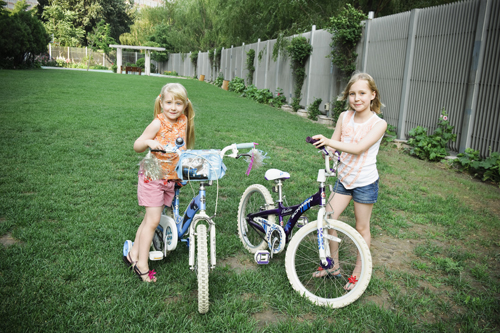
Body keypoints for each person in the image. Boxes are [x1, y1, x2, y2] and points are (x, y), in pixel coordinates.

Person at [311, 72, 386, 290]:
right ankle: (333, 265)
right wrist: (326, 148)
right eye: (352, 94)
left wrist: (330, 143)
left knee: (362, 227)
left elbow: (358, 148)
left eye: (362, 93)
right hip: (343, 179)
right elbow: (335, 143)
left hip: (365, 182)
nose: (357, 98)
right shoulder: (345, 117)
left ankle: (359, 271)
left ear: (373, 95)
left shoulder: (378, 124)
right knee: (328, 217)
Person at [124, 83, 195, 282]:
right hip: (152, 175)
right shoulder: (158, 123)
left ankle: (132, 254)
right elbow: (136, 145)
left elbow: (183, 148)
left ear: (185, 104)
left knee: (149, 219)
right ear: (161, 102)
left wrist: (183, 170)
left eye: (178, 103)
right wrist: (148, 142)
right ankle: (141, 265)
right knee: (154, 220)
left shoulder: (184, 122)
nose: (173, 107)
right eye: (169, 102)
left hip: (169, 178)